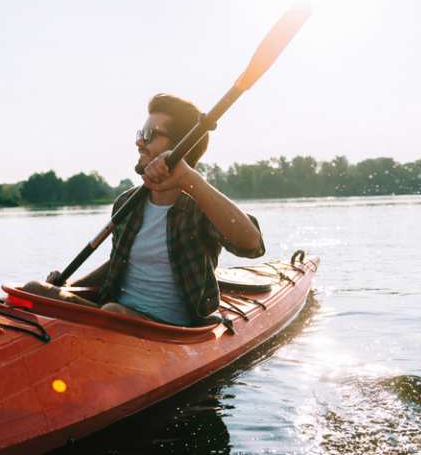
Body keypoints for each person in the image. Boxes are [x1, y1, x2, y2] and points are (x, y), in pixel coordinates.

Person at [23, 93, 265, 326]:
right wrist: (68, 287)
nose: (139, 141)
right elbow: (119, 262)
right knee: (35, 290)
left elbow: (252, 245)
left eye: (149, 135)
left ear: (182, 148)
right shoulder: (127, 203)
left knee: (113, 312)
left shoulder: (202, 206)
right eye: (141, 133)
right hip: (116, 314)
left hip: (170, 329)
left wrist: (188, 178)